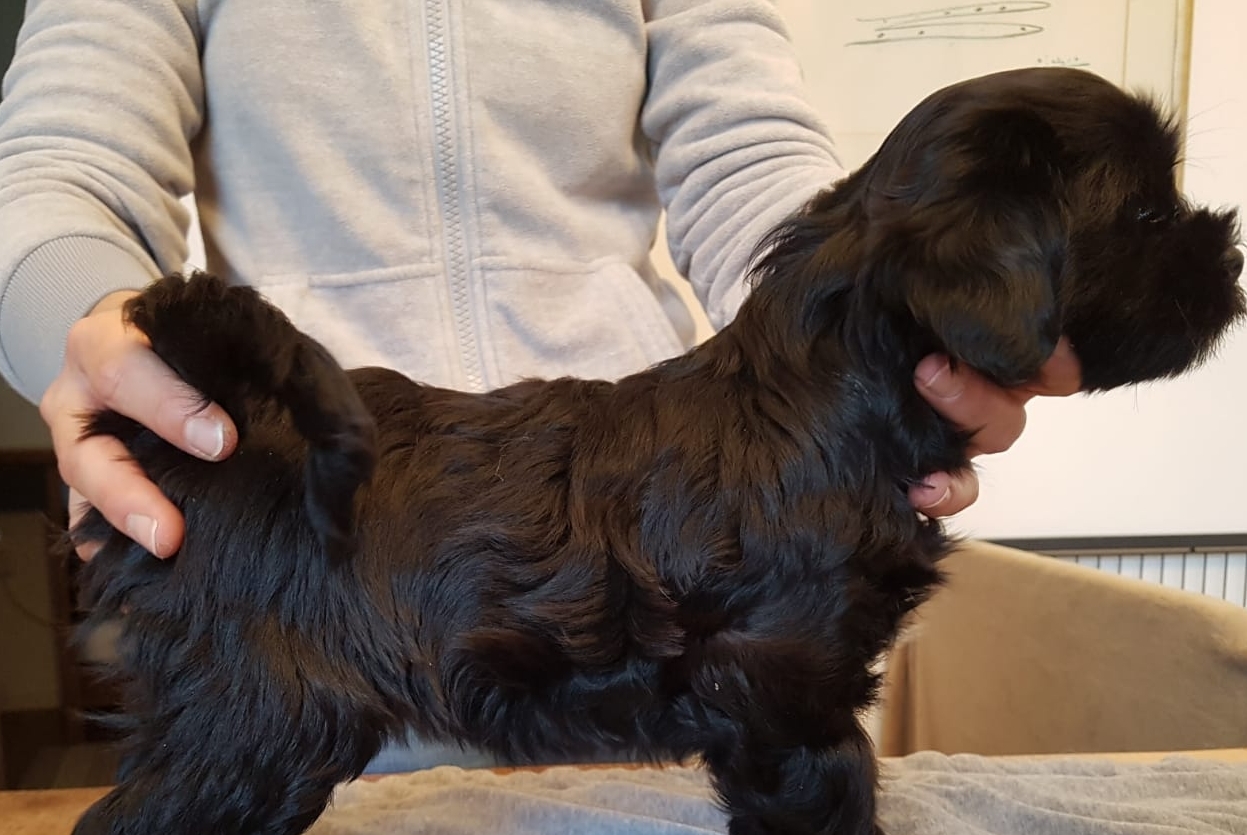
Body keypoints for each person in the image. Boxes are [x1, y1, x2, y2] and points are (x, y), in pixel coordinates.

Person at [0, 0, 1080, 561]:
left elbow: (745, 151)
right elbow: (58, 169)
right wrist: (89, 323)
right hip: (324, 536)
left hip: (648, 535)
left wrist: (872, 341)